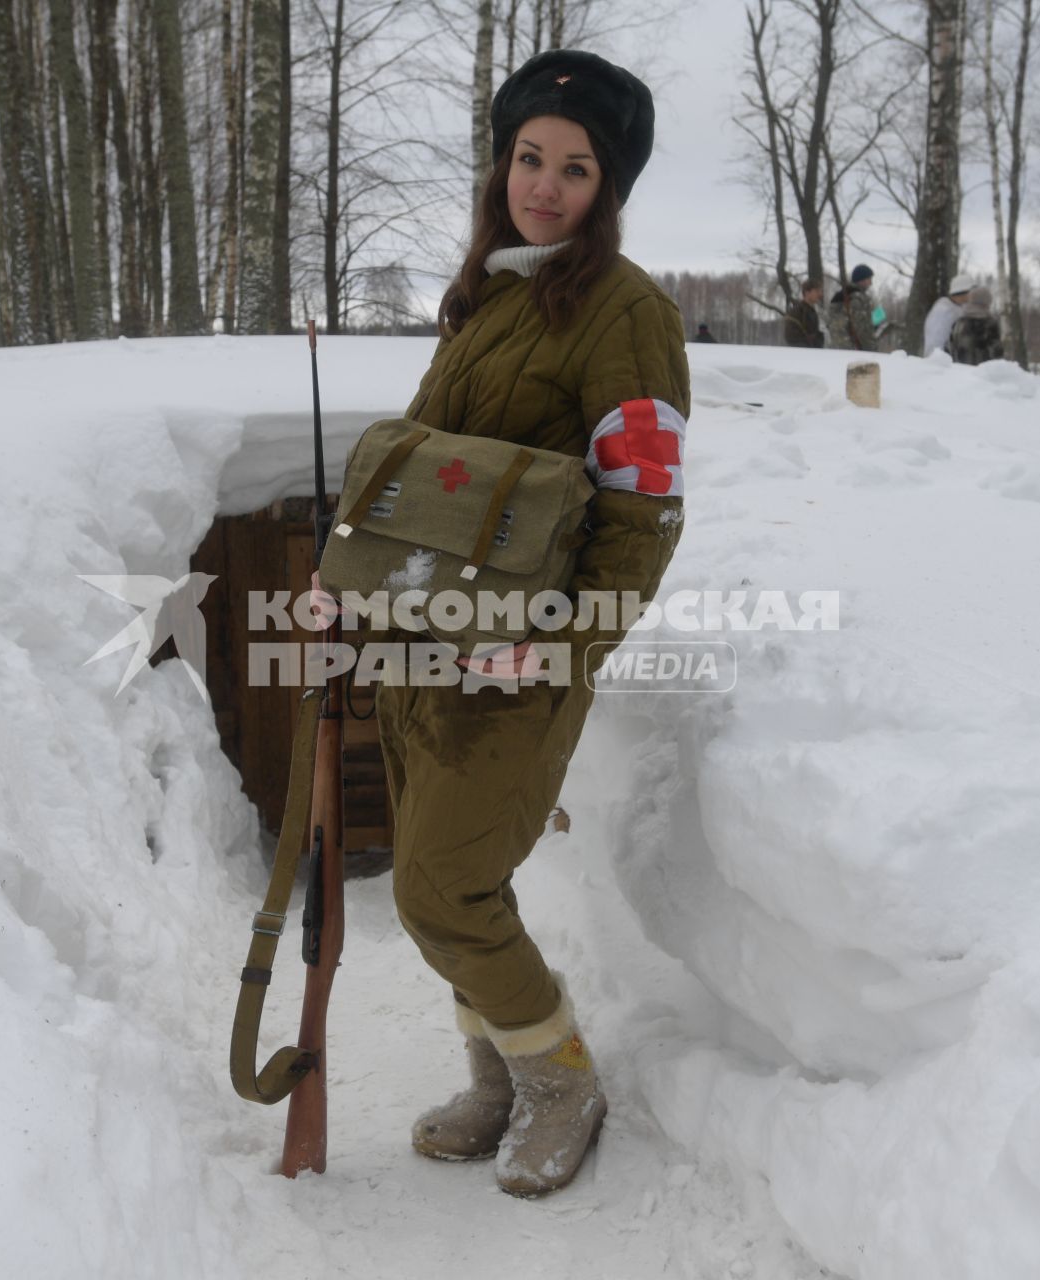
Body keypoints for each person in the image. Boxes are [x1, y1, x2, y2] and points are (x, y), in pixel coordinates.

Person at [307, 49, 685, 1196]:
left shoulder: (629, 314)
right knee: (456, 887)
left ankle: (563, 1077)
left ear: (608, 189)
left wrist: (556, 646)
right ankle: (501, 1072)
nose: (546, 184)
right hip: (427, 653)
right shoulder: (491, 293)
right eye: (529, 157)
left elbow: (642, 519)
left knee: (436, 888)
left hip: (519, 669)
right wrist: (349, 582)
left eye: (577, 168)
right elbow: (419, 475)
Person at [946, 286, 1004, 365]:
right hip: (982, 375)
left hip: (959, 373)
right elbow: (997, 354)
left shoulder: (958, 323)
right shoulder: (990, 324)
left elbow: (949, 350)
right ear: (987, 302)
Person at [828, 264, 879, 351]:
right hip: (851, 348)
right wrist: (871, 348)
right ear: (861, 280)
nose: (871, 283)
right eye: (869, 279)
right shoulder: (856, 299)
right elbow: (860, 328)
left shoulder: (845, 294)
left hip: (840, 345)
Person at [923, 274, 972, 357]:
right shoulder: (943, 311)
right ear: (962, 293)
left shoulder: (959, 308)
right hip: (944, 364)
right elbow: (935, 343)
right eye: (970, 292)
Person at [782, 280, 826, 349]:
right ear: (807, 292)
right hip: (801, 355)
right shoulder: (796, 311)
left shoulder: (813, 311)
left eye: (820, 291)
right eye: (817, 291)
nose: (820, 294)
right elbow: (790, 337)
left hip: (812, 353)